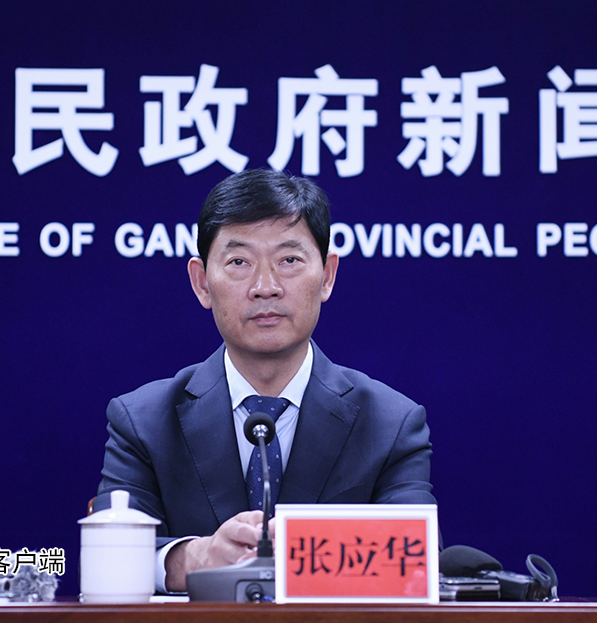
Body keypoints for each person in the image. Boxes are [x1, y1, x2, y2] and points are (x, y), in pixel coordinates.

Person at [97, 169, 435, 592]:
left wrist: (304, 556)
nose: (265, 287)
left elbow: (415, 564)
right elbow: (107, 558)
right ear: (202, 283)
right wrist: (194, 558)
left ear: (327, 276)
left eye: (289, 260)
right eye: (239, 262)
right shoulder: (143, 421)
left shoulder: (391, 424)